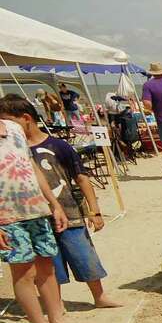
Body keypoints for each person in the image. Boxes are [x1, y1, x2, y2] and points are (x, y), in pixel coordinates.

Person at [0, 95, 121, 309]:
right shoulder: (12, 149)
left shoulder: (58, 145)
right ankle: (57, 304)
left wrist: (95, 211)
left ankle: (99, 296)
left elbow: (82, 178)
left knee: (84, 256)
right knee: (50, 266)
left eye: (8, 120)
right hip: (38, 217)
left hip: (70, 213)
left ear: (26, 118)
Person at [0, 113, 92, 323]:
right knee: (24, 272)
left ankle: (57, 320)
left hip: (36, 209)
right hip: (7, 216)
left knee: (47, 266)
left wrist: (54, 202)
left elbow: (32, 168)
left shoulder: (13, 128)